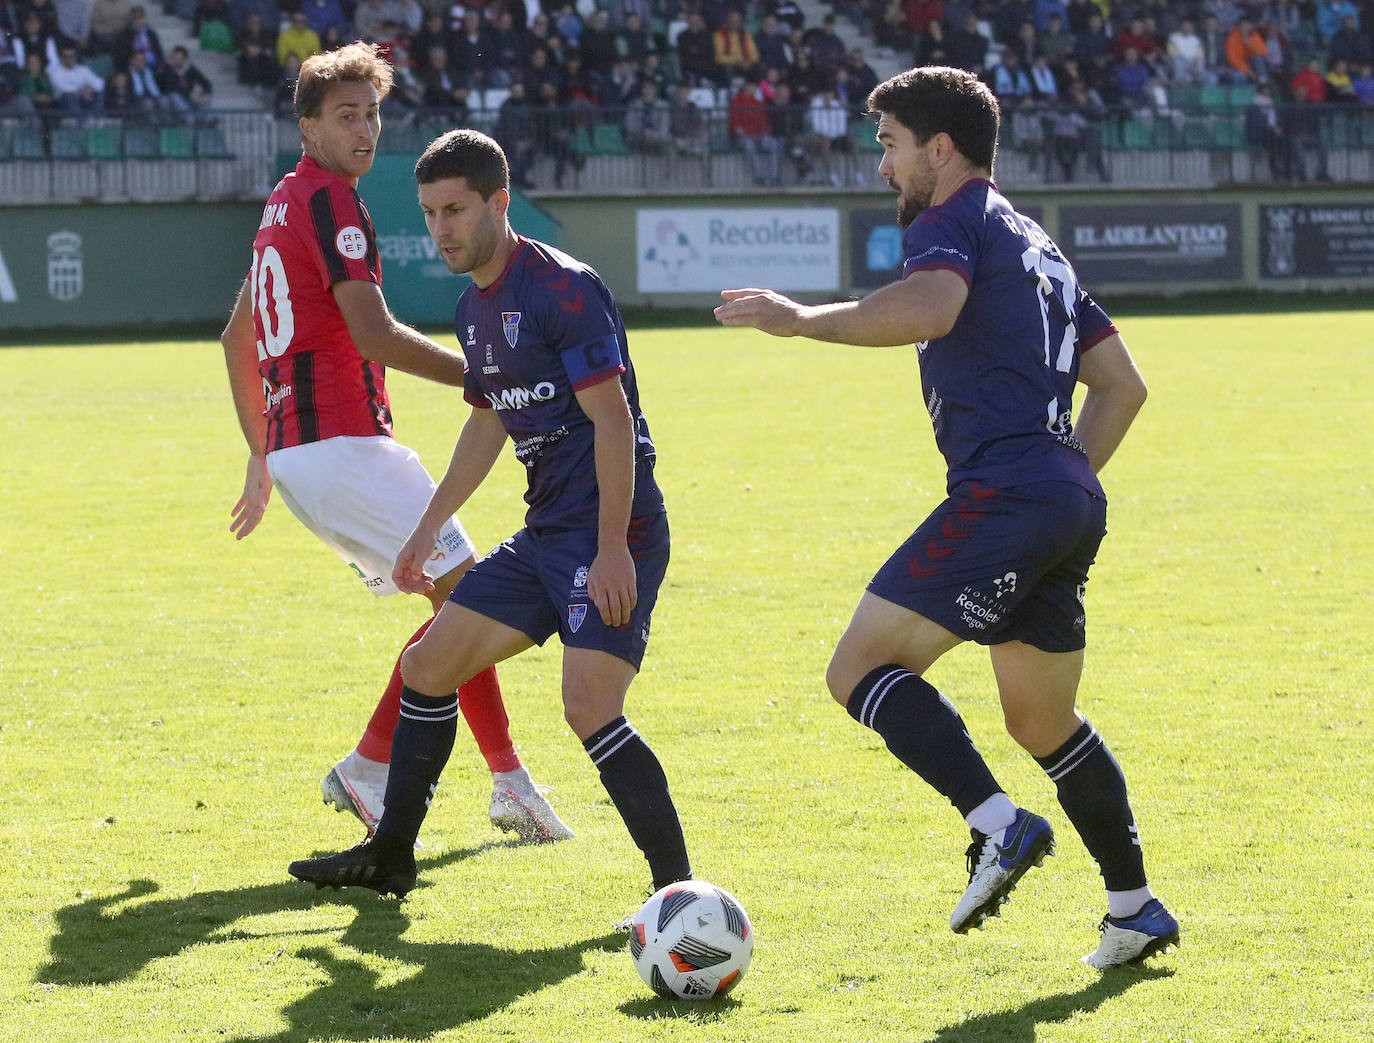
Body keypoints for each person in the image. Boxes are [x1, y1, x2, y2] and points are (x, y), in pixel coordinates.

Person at [713, 65, 1178, 971]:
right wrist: (1063, 477)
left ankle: (998, 826)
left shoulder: (951, 219)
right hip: (1064, 496)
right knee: (1044, 724)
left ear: (940, 147)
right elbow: (1124, 387)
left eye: (888, 144)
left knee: (857, 669)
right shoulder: (1036, 241)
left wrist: (801, 319)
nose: (881, 165)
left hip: (1007, 492)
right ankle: (1135, 908)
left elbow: (931, 306)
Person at [287, 128, 694, 906]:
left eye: (457, 210)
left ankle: (680, 896)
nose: (442, 228)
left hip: (615, 531)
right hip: (546, 536)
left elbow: (613, 421)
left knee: (589, 707)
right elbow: (487, 421)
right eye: (431, 212)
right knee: (426, 667)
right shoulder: (473, 306)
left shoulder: (565, 289)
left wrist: (613, 550)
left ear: (499, 203)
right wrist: (424, 528)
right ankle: (391, 856)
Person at [220, 43, 572, 851]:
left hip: (306, 456)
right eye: (346, 115)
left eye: (373, 112)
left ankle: (504, 780)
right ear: (307, 125)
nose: (366, 128)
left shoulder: (283, 200)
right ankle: (384, 766)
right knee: (472, 599)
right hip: (342, 446)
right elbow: (373, 335)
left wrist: (258, 451)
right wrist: (487, 375)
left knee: (457, 601)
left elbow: (237, 336)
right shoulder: (332, 203)